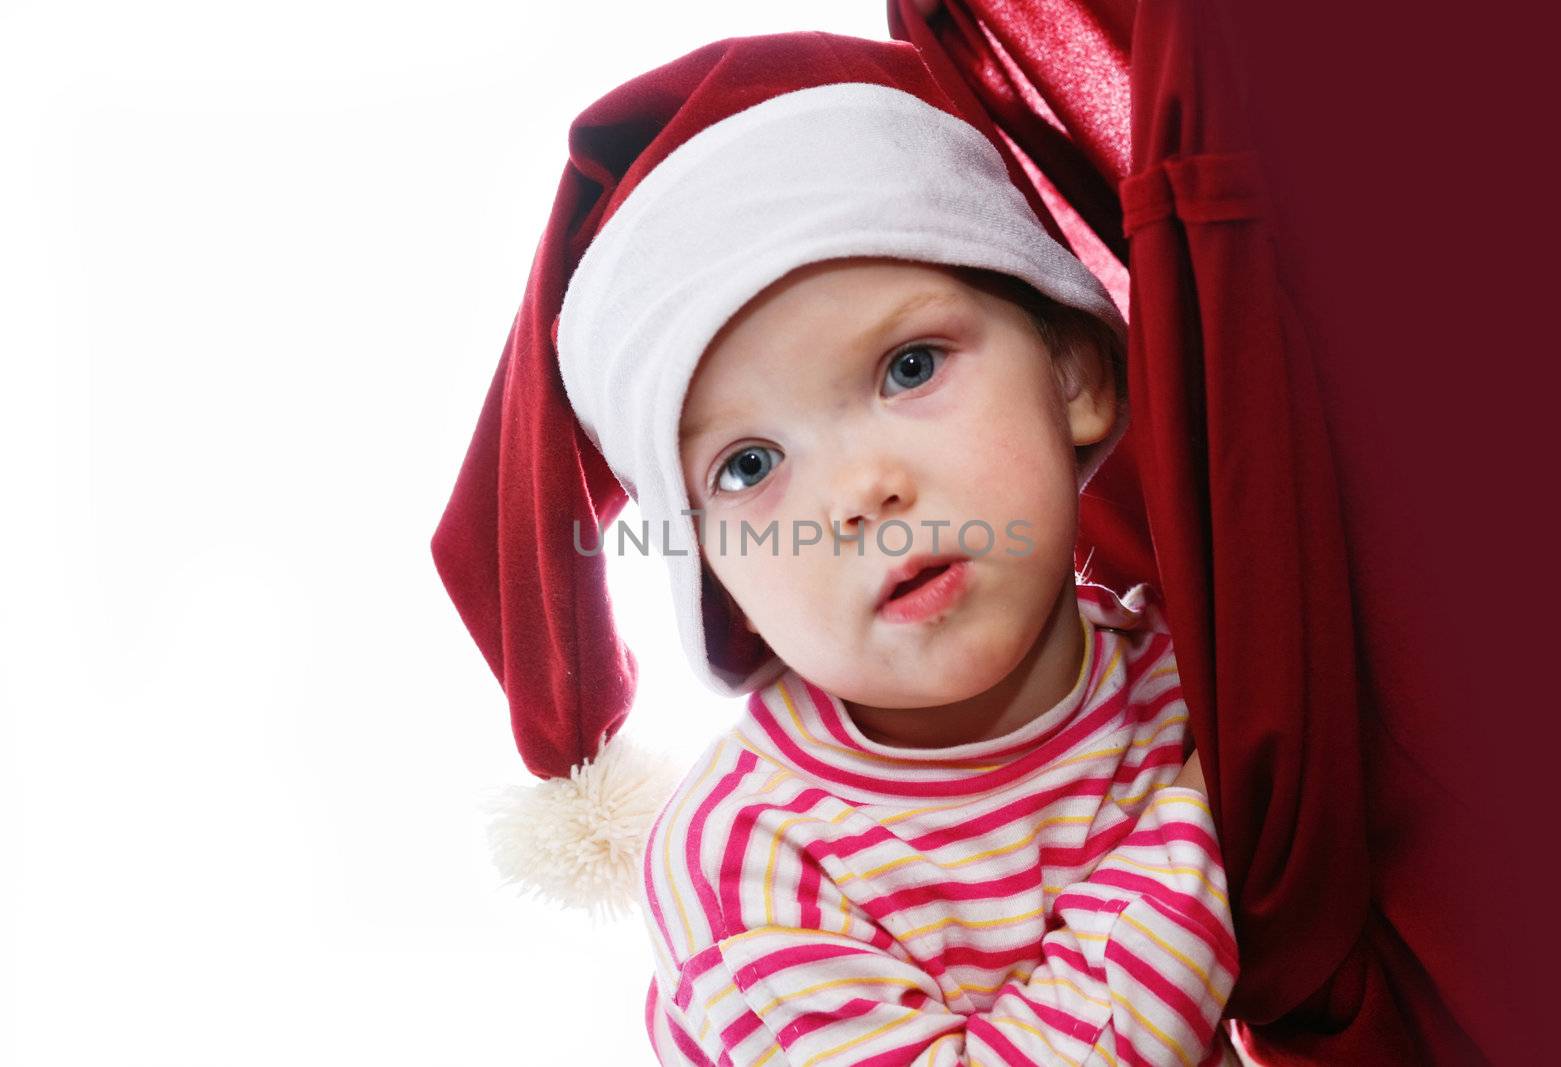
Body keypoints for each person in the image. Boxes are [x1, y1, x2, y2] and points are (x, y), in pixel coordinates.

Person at [431, 30, 1238, 1066]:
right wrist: (1215, 817)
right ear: (708, 568)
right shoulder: (752, 854)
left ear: (1074, 373)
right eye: (749, 464)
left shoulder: (1180, 675)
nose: (860, 493)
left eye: (908, 366)